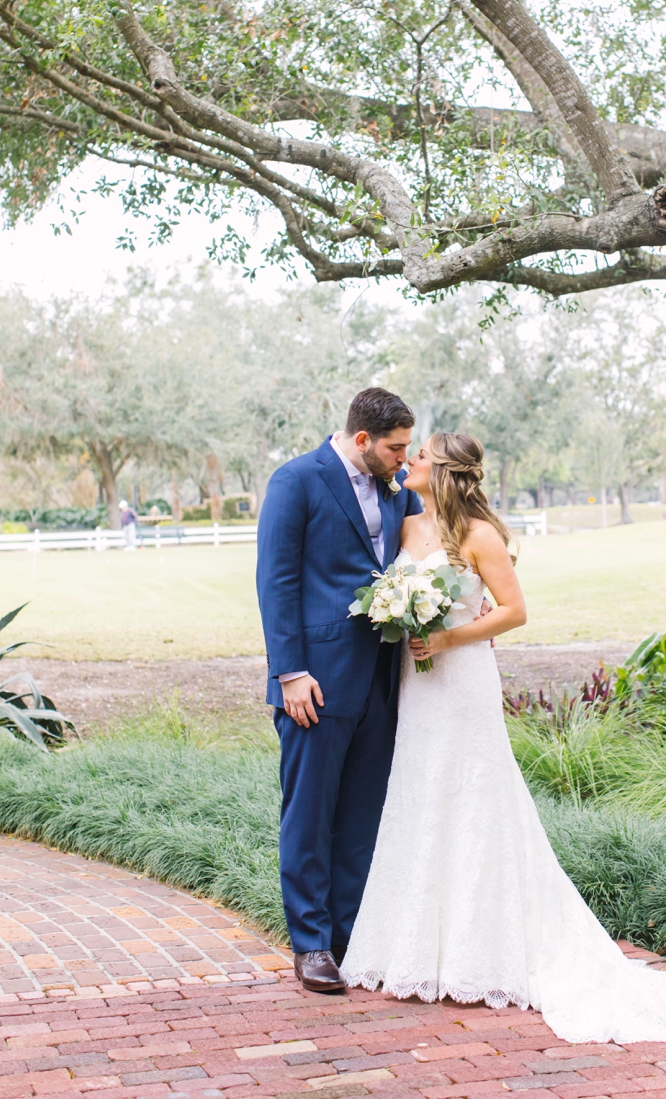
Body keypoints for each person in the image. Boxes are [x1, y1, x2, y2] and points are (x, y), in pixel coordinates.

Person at [341, 432, 666, 1043]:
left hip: (460, 678)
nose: (409, 461)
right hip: (417, 686)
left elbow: (514, 610)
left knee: (474, 797)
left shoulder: (479, 536)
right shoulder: (410, 528)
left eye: (420, 456)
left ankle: (477, 950)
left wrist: (445, 638)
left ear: (442, 470)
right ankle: (416, 945)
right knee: (420, 791)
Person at [256, 387, 422, 993]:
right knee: (309, 813)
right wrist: (289, 672)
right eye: (396, 448)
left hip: (384, 678)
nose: (403, 460)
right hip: (316, 682)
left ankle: (352, 935)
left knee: (361, 815)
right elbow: (275, 582)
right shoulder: (296, 481)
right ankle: (312, 945)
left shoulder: (397, 489)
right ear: (362, 441)